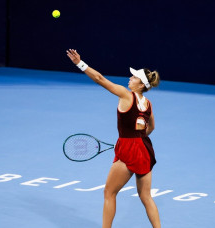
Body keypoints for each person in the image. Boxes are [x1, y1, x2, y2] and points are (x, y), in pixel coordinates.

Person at [66, 49, 161, 228]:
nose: (130, 78)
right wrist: (138, 138)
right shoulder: (148, 104)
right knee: (146, 197)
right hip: (145, 149)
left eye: (134, 78)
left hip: (129, 149)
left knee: (109, 192)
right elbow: (151, 127)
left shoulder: (126, 95)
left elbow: (100, 79)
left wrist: (80, 63)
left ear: (141, 85)